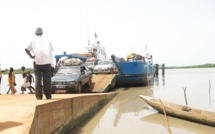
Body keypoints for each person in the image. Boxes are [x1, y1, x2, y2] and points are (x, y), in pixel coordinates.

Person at [25, 27, 54, 100]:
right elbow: (51, 50)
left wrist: (31, 56)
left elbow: (26, 49)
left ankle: (38, 96)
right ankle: (48, 95)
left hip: (37, 62)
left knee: (38, 79)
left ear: (35, 33)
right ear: (42, 32)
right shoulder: (47, 40)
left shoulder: (33, 40)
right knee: (47, 79)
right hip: (47, 62)